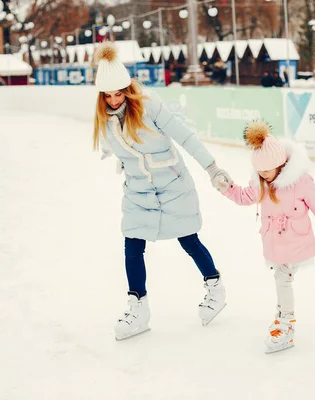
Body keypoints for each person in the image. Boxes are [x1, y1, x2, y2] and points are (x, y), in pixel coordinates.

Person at [93, 42, 232, 340]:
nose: (114, 99)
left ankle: (215, 286)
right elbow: (118, 145)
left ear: (128, 88)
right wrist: (120, 158)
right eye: (108, 94)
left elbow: (186, 137)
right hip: (138, 192)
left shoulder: (149, 105)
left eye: (119, 92)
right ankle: (138, 307)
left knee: (189, 240)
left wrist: (213, 169)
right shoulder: (105, 120)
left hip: (172, 184)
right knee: (132, 244)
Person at [213, 121, 315, 353]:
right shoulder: (262, 182)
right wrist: (227, 188)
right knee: (281, 279)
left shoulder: (300, 182)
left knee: (283, 280)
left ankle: (287, 324)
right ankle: (282, 314)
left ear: (280, 164)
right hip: (274, 243)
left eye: (267, 170)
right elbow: (245, 197)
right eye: (259, 171)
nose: (263, 174)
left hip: (296, 243)